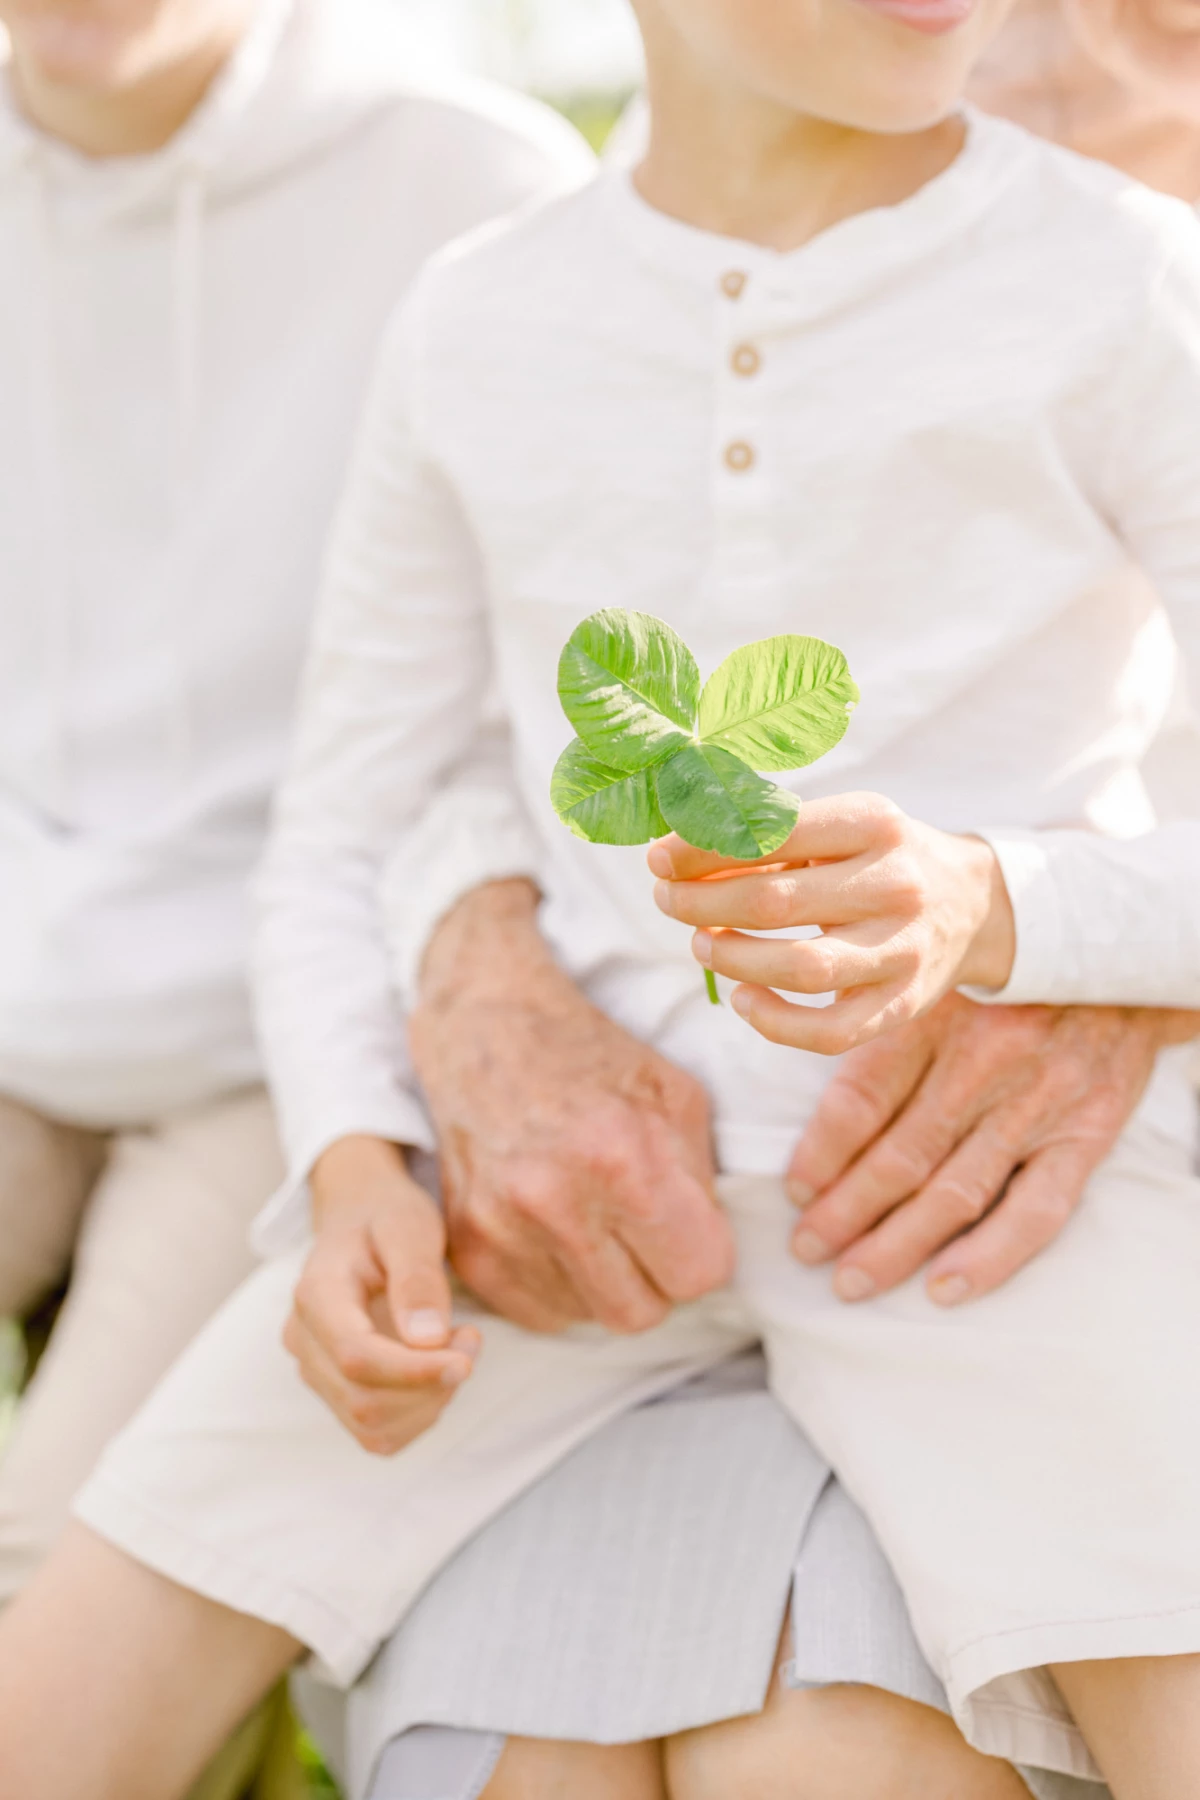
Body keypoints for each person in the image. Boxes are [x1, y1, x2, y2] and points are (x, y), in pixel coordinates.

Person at [5, 5, 1200, 1800]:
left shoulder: (1125, 282)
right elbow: (346, 826)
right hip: (525, 1244)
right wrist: (355, 1171)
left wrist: (997, 905)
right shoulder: (479, 317)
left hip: (992, 1228)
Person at [0, 0, 588, 1779]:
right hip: (22, 992)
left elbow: (531, 724)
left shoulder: (477, 190)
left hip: (290, 1037)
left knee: (45, 1595)